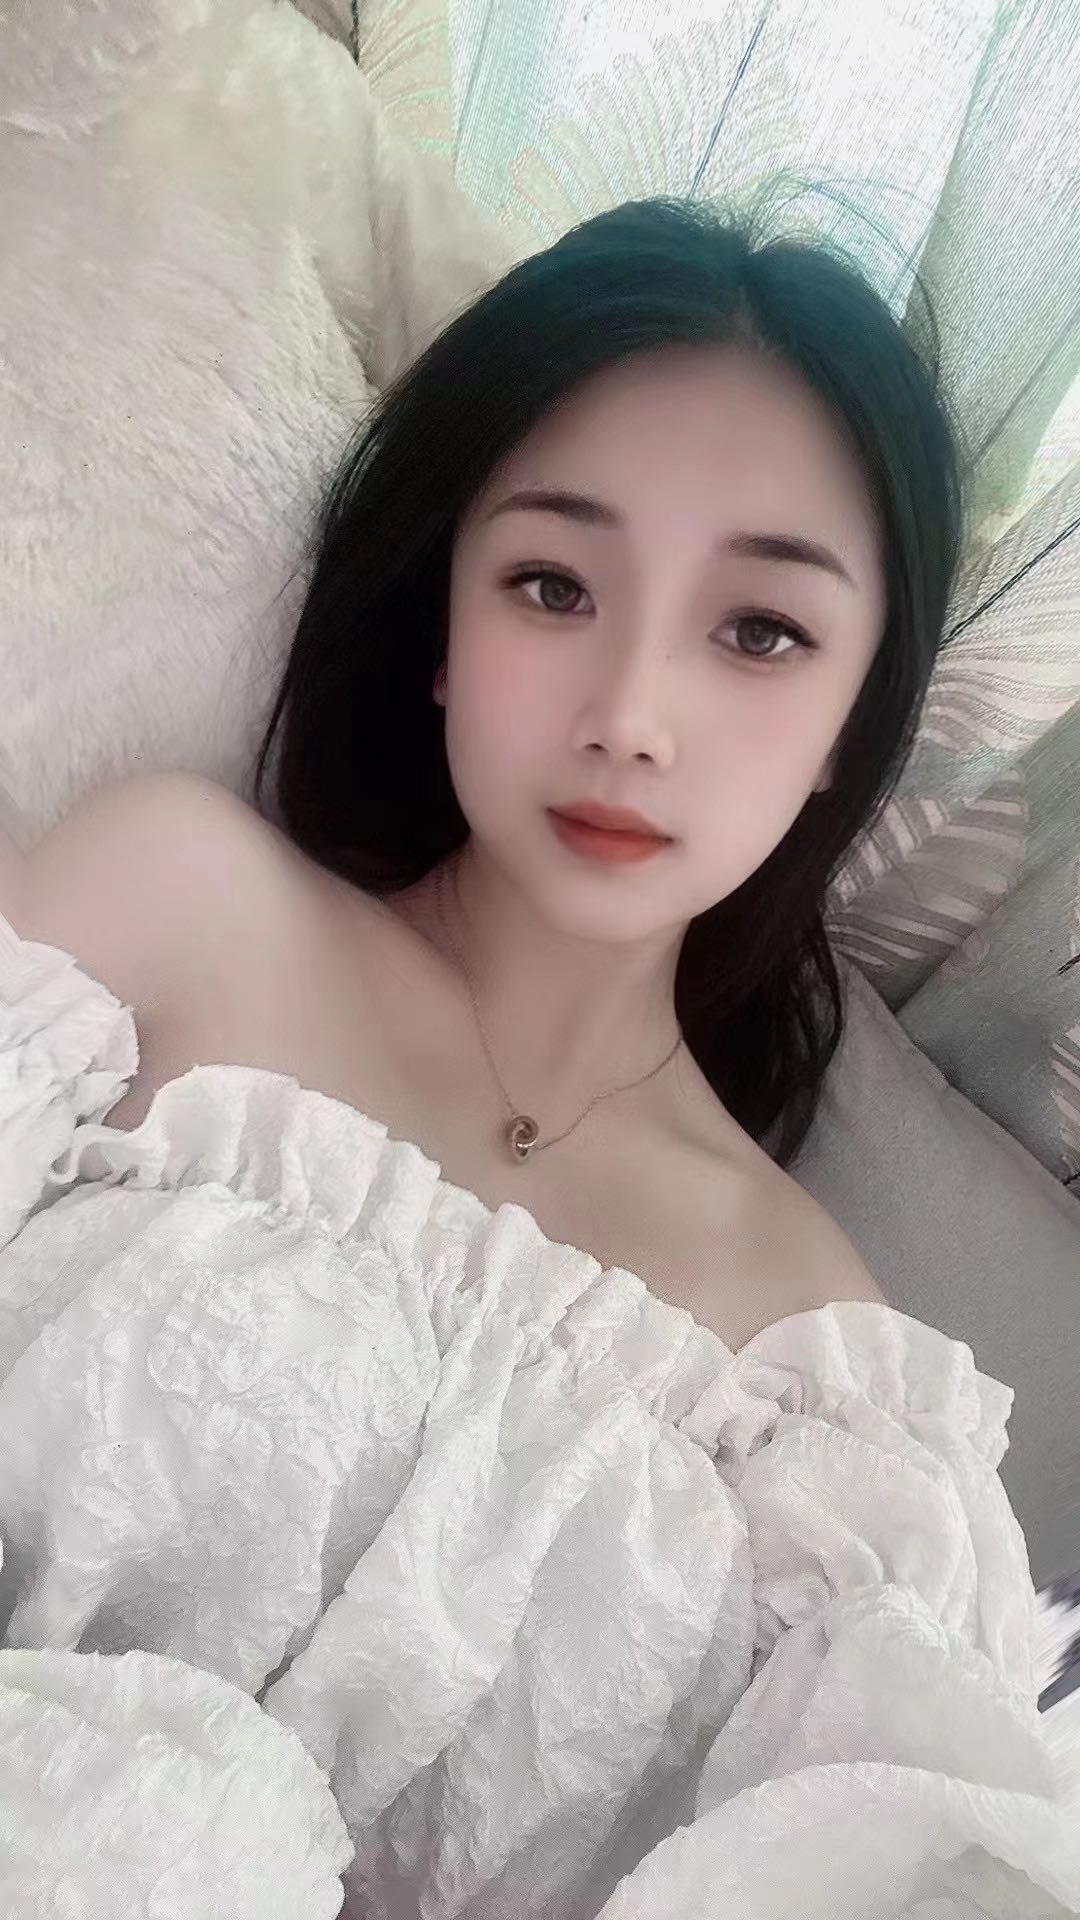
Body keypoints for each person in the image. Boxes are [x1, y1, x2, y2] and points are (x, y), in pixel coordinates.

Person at [1, 195, 1076, 1917]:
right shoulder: (168, 904)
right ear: (443, 631)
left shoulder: (823, 1385)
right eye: (553, 585)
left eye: (762, 631)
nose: (630, 715)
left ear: (849, 730)